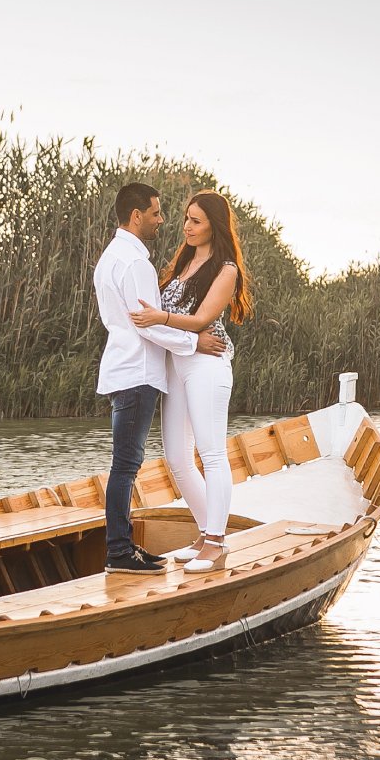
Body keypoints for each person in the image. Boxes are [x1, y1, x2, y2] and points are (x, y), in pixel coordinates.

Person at [95, 183, 228, 574]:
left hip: (129, 368)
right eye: (156, 213)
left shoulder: (111, 257)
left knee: (128, 463)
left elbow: (145, 320)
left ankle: (203, 538)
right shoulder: (135, 263)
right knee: (126, 466)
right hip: (138, 370)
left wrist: (186, 337)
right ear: (136, 215)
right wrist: (194, 340)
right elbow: (147, 324)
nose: (164, 220)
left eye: (191, 219)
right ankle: (120, 551)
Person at [130, 189, 253, 573]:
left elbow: (201, 320)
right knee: (178, 459)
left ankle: (215, 544)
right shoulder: (184, 262)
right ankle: (205, 531)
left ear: (213, 225)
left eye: (195, 220)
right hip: (176, 366)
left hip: (207, 365)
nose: (186, 226)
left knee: (212, 454)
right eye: (186, 218)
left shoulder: (226, 269)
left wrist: (159, 319)